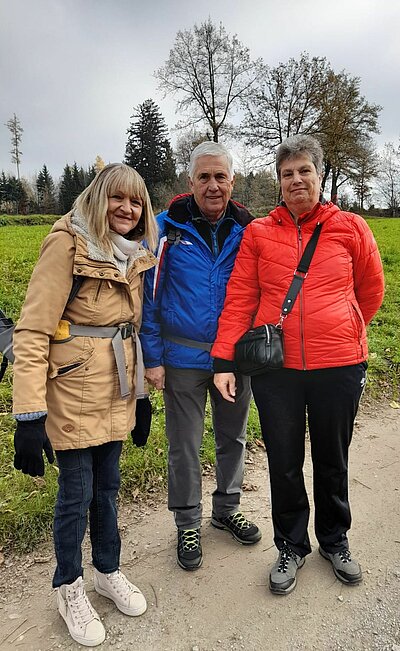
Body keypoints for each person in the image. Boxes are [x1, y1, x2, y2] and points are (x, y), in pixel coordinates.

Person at [212, 135, 385, 595]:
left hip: (340, 365)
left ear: (319, 175)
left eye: (304, 170)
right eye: (287, 173)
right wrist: (224, 360)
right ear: (279, 181)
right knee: (284, 461)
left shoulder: (350, 227)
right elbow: (241, 299)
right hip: (277, 371)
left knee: (334, 458)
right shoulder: (259, 233)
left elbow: (371, 290)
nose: (296, 180)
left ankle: (334, 539)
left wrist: (343, 327)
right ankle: (290, 544)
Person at [12, 163, 158, 646]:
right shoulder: (68, 244)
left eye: (135, 201)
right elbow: (32, 331)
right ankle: (68, 584)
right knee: (75, 494)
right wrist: (29, 416)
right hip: (73, 394)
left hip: (117, 391)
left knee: (108, 490)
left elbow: (128, 331)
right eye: (117, 198)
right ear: (98, 198)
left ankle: (107, 571)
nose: (126, 208)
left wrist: (142, 400)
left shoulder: (134, 255)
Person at [140, 141, 262, 571]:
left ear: (233, 181)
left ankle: (227, 510)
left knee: (234, 438)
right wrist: (151, 357)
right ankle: (188, 521)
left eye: (221, 177)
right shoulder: (164, 229)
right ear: (189, 181)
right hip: (182, 358)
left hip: (234, 359)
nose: (213, 186)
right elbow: (148, 299)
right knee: (185, 445)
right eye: (204, 177)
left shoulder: (250, 231)